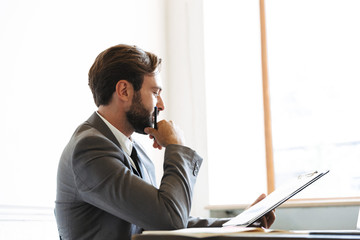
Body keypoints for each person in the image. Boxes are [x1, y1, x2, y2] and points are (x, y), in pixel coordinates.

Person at [54, 44, 275, 240]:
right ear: (124, 90)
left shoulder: (134, 150)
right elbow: (169, 220)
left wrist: (241, 224)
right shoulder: (89, 149)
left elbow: (165, 218)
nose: (161, 104)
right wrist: (176, 148)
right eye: (155, 92)